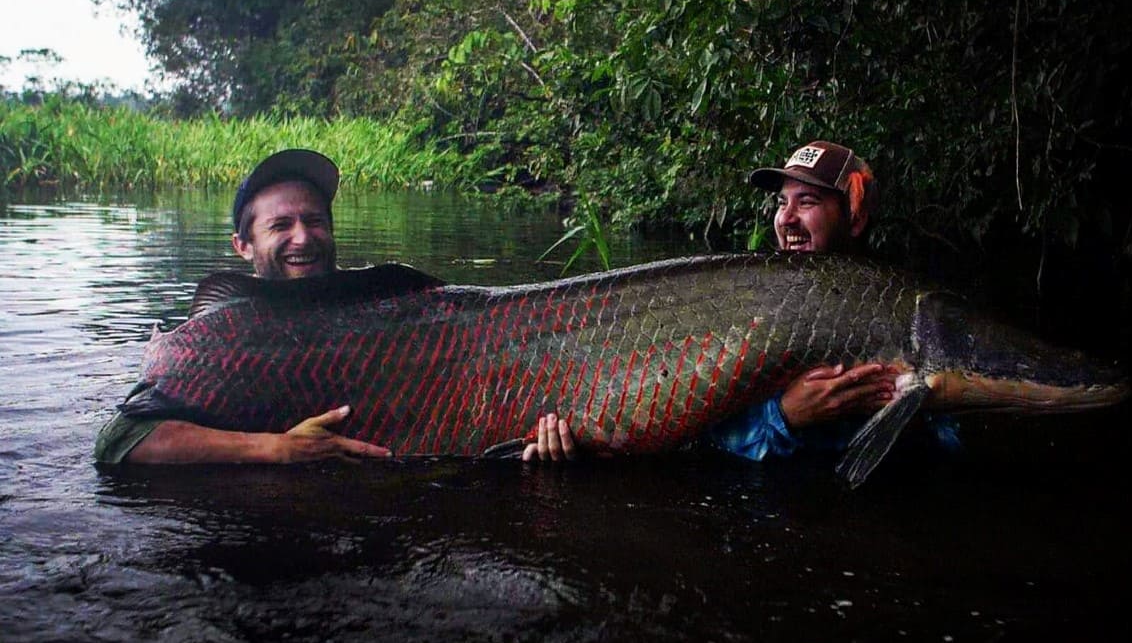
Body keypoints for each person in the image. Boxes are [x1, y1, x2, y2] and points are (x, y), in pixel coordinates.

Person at [95, 148, 558, 465]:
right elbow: (120, 442)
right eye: (281, 225)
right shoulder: (224, 333)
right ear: (243, 245)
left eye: (314, 221)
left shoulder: (394, 307)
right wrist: (277, 450)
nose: (302, 237)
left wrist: (542, 446)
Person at [522, 140, 957, 461]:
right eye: (782, 203)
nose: (787, 219)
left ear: (855, 217)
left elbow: (949, 444)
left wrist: (895, 413)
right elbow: (703, 441)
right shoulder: (743, 304)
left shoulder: (900, 306)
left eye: (807, 202)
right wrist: (786, 418)